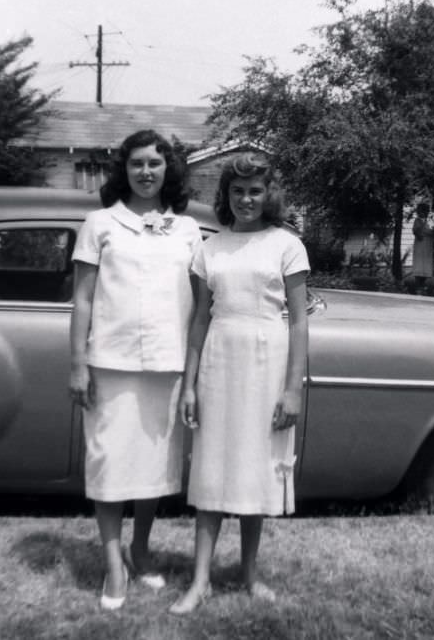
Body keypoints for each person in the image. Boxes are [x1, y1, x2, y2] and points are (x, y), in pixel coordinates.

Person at [169, 154, 309, 614]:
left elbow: (300, 324)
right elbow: (198, 320)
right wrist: (189, 386)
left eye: (255, 190)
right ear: (225, 196)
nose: (246, 199)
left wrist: (293, 390)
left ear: (269, 195)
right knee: (212, 468)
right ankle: (201, 580)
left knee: (255, 470)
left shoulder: (286, 244)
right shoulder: (210, 248)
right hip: (219, 361)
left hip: (268, 360)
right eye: (237, 191)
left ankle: (249, 574)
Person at [69, 129, 201, 611]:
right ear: (124, 169)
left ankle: (140, 549)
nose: (147, 172)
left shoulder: (185, 230)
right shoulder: (99, 223)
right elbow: (82, 299)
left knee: (151, 468)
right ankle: (113, 568)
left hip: (166, 364)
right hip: (110, 363)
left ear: (169, 170)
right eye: (138, 163)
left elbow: (201, 302)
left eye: (156, 163)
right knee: (109, 464)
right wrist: (77, 365)